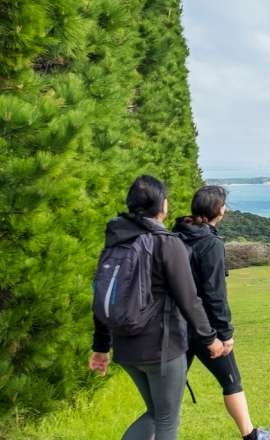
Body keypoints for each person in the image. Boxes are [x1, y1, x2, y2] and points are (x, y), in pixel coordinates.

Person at [90, 175, 225, 440]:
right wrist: (210, 339)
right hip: (161, 348)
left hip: (126, 348)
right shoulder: (166, 243)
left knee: (155, 412)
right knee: (166, 419)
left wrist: (101, 347)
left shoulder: (115, 241)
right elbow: (189, 298)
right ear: (162, 205)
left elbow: (102, 294)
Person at [175, 185, 270, 440]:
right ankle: (252, 436)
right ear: (218, 210)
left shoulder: (175, 236)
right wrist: (225, 333)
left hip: (175, 324)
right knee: (231, 380)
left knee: (170, 393)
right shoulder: (210, 243)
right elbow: (215, 294)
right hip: (205, 328)